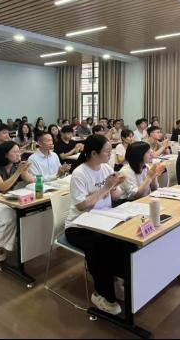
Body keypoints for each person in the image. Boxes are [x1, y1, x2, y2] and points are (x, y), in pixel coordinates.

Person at [64, 134, 127, 315]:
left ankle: (116, 280)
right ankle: (102, 293)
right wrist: (106, 187)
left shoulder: (106, 168)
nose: (110, 153)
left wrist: (116, 186)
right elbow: (82, 206)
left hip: (103, 220)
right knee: (100, 246)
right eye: (107, 151)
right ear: (93, 153)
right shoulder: (79, 173)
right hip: (79, 226)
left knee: (124, 241)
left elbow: (116, 196)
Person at [0, 141, 34, 261]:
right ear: (5, 154)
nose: (18, 154)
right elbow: (3, 187)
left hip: (9, 200)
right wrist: (18, 172)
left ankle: (20, 244)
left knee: (29, 213)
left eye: (19, 151)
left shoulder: (16, 166)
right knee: (10, 217)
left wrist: (24, 170)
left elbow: (30, 181)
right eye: (15, 152)